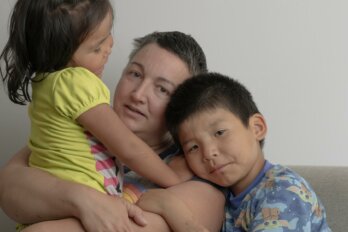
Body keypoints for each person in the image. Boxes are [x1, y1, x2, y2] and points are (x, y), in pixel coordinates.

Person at [0, 30, 225, 231]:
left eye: (162, 89)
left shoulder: (197, 178)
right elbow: (8, 189)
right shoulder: (73, 132)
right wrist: (81, 199)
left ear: (183, 109)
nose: (138, 94)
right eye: (135, 74)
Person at [138, 72, 332, 231]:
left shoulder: (284, 191)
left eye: (220, 132)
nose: (208, 153)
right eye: (193, 147)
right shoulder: (221, 195)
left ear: (257, 128)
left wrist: (174, 211)